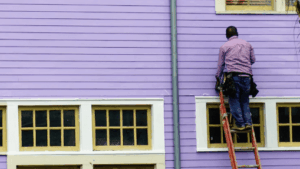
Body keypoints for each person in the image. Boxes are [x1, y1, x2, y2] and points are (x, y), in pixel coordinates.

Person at [215, 26, 256, 131]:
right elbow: (253, 60)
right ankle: (248, 123)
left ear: (227, 35)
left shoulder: (224, 46)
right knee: (244, 100)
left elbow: (221, 64)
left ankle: (240, 124)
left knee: (234, 100)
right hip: (247, 77)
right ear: (237, 33)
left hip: (233, 77)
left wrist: (217, 78)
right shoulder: (247, 44)